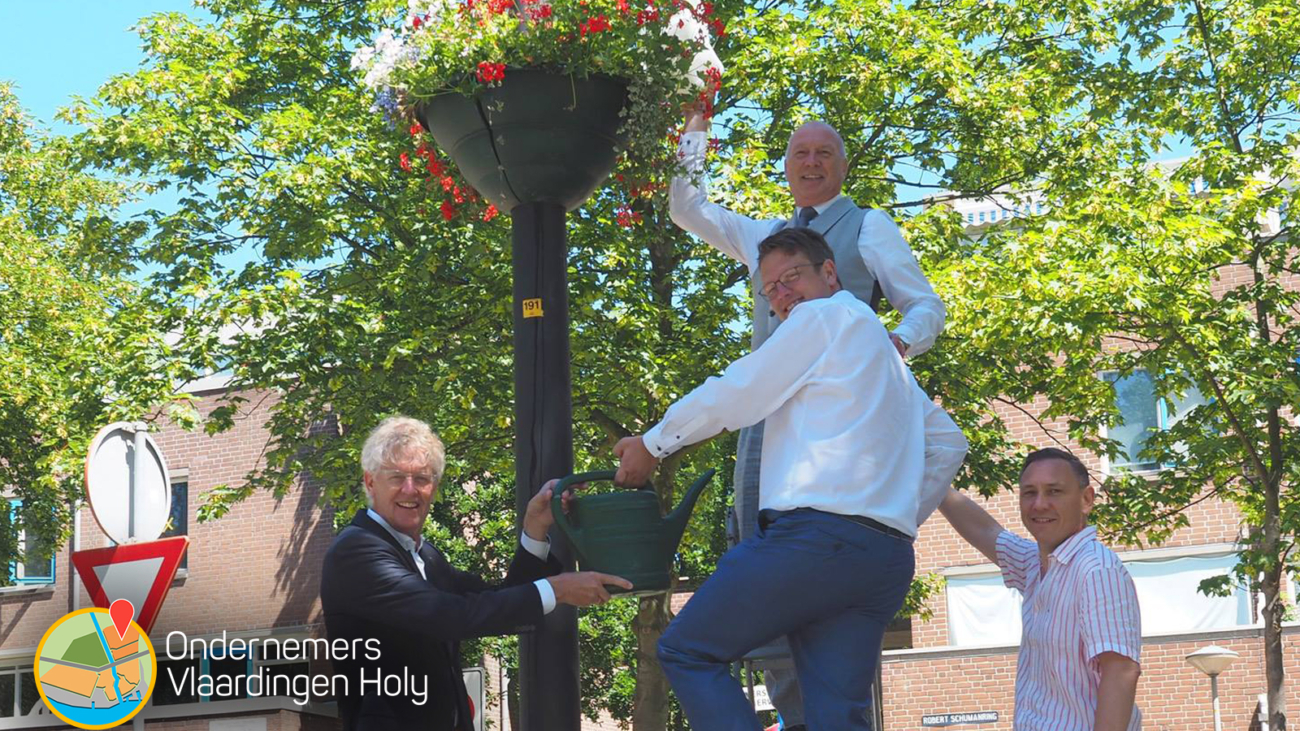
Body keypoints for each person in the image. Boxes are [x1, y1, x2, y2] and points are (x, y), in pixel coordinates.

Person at [670, 105, 966, 728]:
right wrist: (694, 130)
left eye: (823, 153)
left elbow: (925, 305)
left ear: (842, 167)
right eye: (799, 153)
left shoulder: (868, 227)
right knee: (770, 600)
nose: (810, 162)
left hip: (844, 424)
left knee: (711, 635)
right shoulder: (768, 239)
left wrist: (897, 345)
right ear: (785, 168)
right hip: (769, 430)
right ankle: (794, 715)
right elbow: (687, 208)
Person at [614, 228, 966, 731]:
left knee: (688, 650)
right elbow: (949, 443)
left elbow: (739, 390)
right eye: (769, 289)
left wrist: (653, 444)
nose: (781, 294)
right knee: (837, 718)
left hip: (813, 544)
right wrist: (892, 517)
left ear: (830, 272)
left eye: (791, 276)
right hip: (883, 560)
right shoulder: (888, 357)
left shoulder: (822, 317)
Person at [321, 416, 631, 731]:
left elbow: (495, 600)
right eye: (397, 477)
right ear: (370, 482)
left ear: (435, 486)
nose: (410, 489)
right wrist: (559, 590)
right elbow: (450, 616)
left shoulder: (424, 555)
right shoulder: (357, 551)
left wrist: (535, 526)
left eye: (423, 478)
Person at [938, 447, 1142, 730]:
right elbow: (986, 531)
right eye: (1029, 492)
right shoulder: (1036, 565)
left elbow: (1121, 670)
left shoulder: (1096, 570)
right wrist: (930, 476)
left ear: (1086, 500)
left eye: (1054, 491)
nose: (1039, 504)